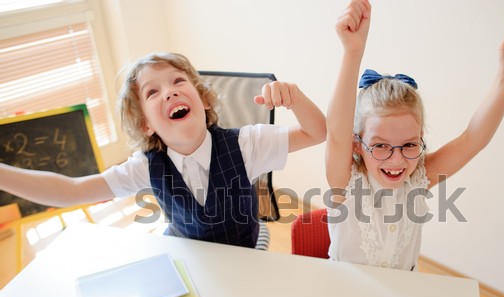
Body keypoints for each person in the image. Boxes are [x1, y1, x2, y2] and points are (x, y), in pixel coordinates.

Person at [0, 52, 326, 249]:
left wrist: (294, 99)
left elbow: (317, 131)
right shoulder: (146, 166)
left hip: (244, 253)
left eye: (178, 82)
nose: (169, 92)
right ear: (146, 125)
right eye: (153, 91)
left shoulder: (246, 144)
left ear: (205, 100)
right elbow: (72, 191)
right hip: (187, 256)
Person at [326, 0, 504, 269]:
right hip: (344, 293)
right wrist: (352, 52)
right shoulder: (345, 182)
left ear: (420, 137)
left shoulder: (419, 179)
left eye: (409, 144)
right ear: (357, 144)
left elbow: (473, 139)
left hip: (402, 294)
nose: (396, 159)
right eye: (380, 146)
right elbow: (335, 134)